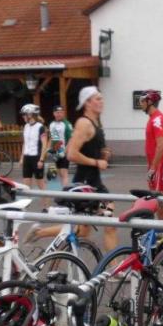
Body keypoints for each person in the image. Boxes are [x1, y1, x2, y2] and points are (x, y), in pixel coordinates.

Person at [65, 86, 117, 251]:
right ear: (87, 103)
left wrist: (104, 154)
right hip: (85, 185)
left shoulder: (96, 123)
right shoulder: (84, 123)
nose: (102, 102)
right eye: (97, 99)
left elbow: (85, 148)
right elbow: (71, 154)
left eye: (102, 98)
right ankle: (114, 265)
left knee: (83, 231)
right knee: (109, 224)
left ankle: (40, 233)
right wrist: (96, 162)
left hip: (94, 183)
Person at [140, 89, 163, 220]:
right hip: (154, 164)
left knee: (162, 199)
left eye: (142, 101)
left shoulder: (157, 120)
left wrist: (153, 168)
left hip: (160, 163)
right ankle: (162, 228)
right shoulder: (153, 119)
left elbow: (161, 146)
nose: (140, 104)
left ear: (149, 102)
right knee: (157, 200)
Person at [19, 104, 49, 195]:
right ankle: (27, 204)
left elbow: (44, 144)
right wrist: (22, 158)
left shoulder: (40, 127)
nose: (23, 116)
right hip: (27, 158)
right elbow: (25, 143)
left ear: (30, 114)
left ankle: (46, 204)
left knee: (41, 185)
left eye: (24, 114)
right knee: (26, 186)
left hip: (36, 158)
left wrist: (41, 160)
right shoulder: (26, 126)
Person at [48, 105, 73, 187]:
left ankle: (65, 193)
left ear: (63, 113)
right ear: (53, 113)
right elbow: (52, 138)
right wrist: (48, 149)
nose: (59, 114)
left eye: (61, 112)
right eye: (57, 112)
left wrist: (65, 152)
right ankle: (63, 191)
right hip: (55, 152)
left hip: (64, 152)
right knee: (59, 174)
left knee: (64, 173)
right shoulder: (52, 124)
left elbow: (71, 139)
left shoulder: (67, 124)